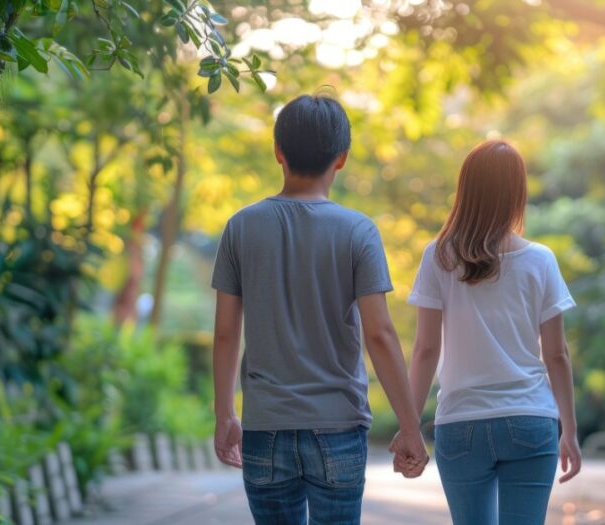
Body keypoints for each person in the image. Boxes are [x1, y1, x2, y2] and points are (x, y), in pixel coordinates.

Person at [210, 94, 427, 525]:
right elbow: (380, 335)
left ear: (278, 152)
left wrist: (225, 415)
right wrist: (410, 427)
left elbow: (225, 334)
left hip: (265, 425)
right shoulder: (358, 231)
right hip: (338, 427)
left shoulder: (241, 226)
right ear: (341, 158)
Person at [396, 140, 583, 525]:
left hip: (461, 423)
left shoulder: (439, 256)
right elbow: (556, 355)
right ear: (518, 193)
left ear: (466, 191)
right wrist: (570, 430)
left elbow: (425, 351)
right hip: (530, 419)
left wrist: (410, 427)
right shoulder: (540, 260)